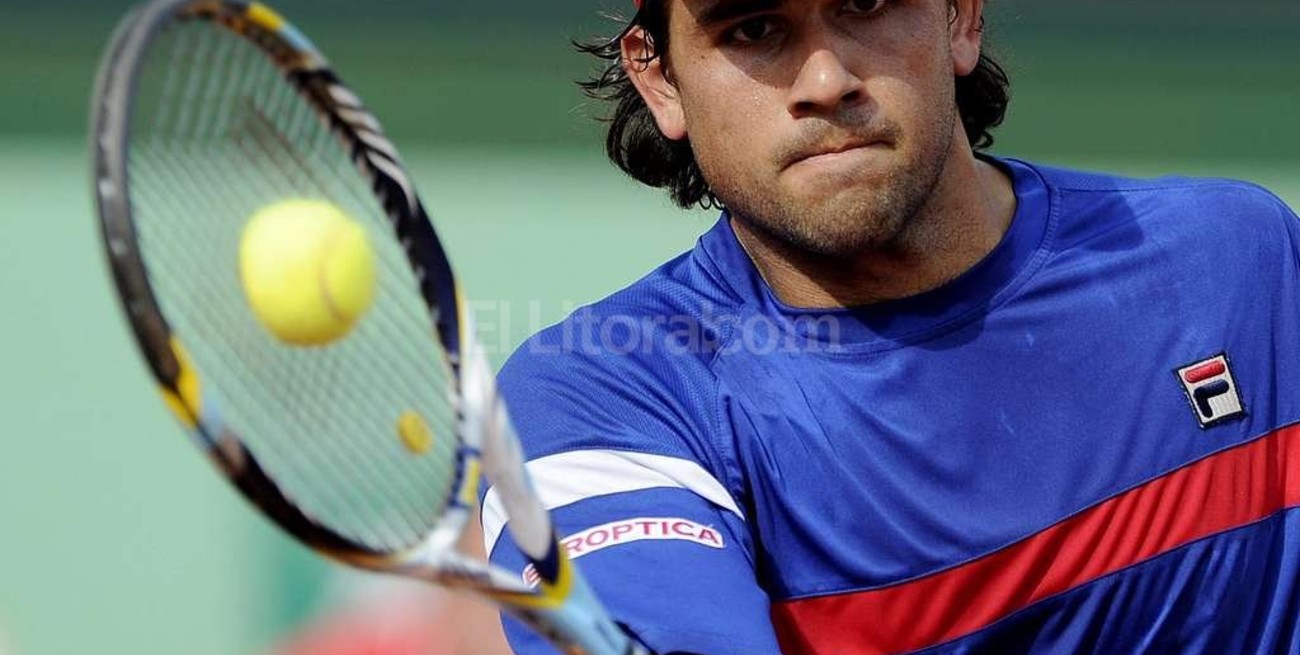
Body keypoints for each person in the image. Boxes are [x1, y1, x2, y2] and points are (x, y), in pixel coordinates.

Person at [481, 0, 1300, 653]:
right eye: (754, 28)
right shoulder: (594, 404)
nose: (827, 79)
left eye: (865, 3)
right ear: (659, 82)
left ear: (961, 16)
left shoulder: (1243, 263)